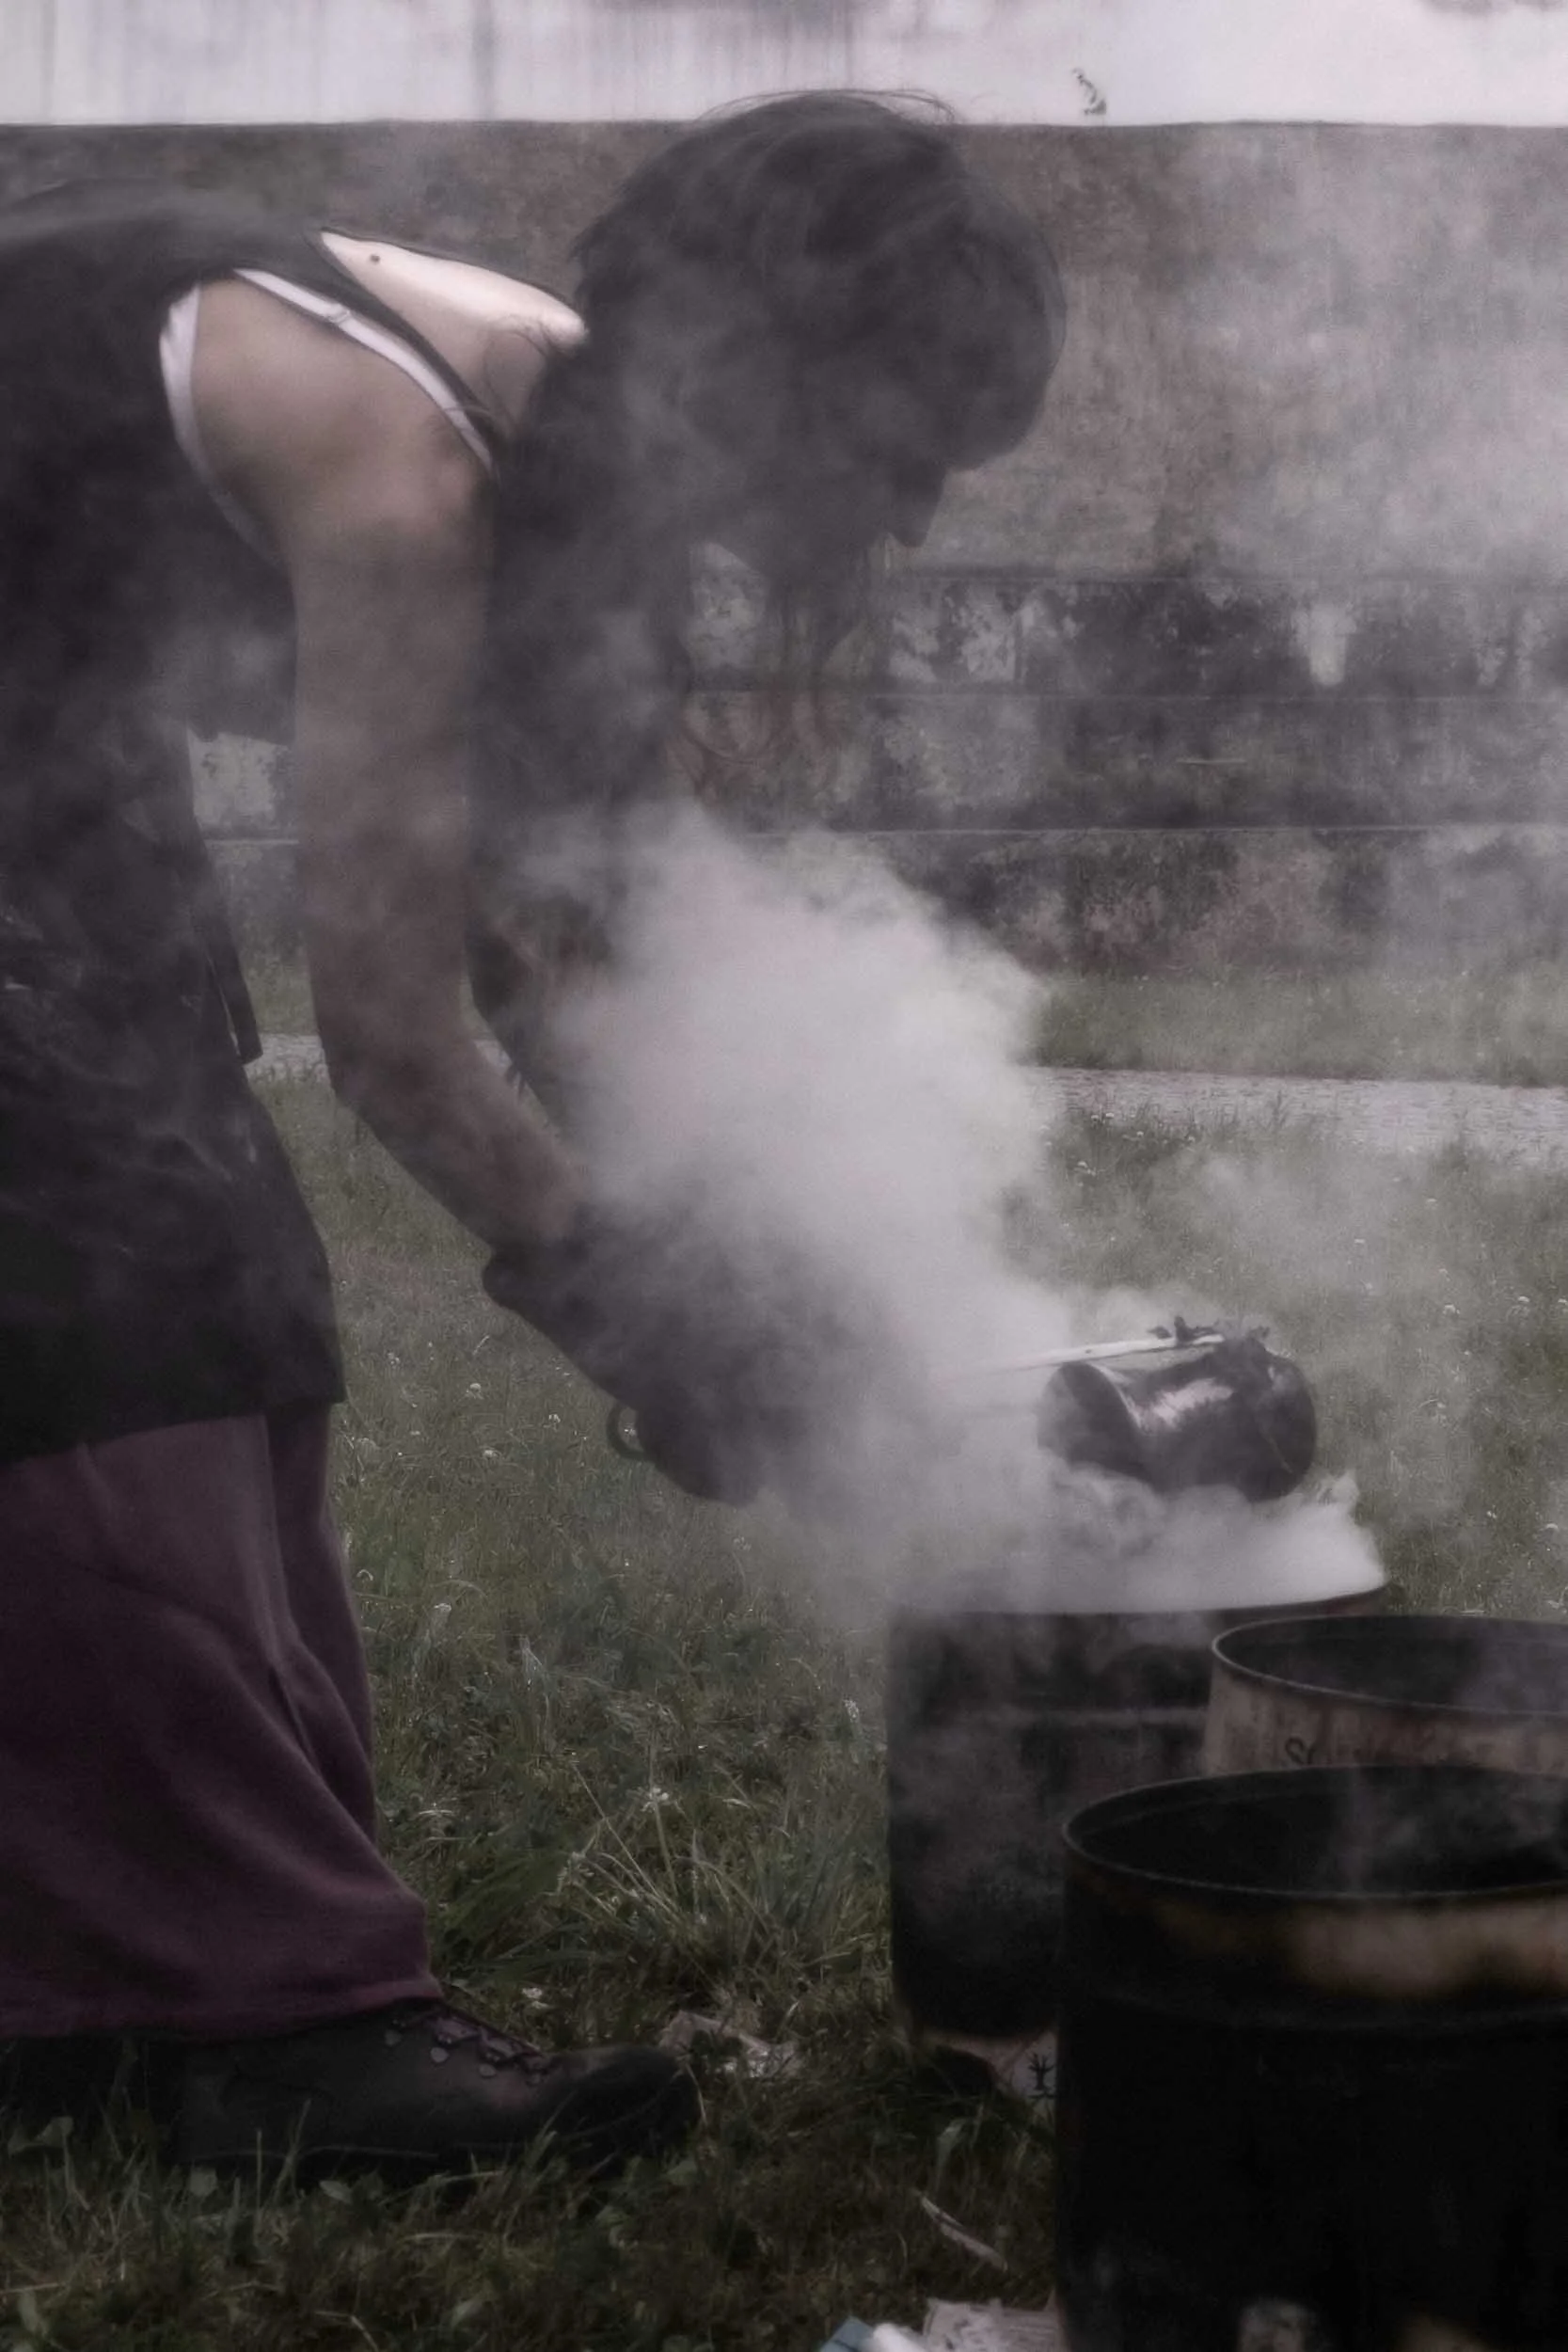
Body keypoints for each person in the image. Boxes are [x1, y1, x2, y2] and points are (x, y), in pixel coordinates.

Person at [0, 95, 1064, 2182]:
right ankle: (223, 2031)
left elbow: (532, 941)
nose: (911, 518)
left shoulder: (540, 419)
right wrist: (646, 1320)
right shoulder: (399, 472)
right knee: (104, 1274)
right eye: (896, 454)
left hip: (49, 711)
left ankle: (201, 1962)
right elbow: (393, 1036)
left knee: (220, 1277)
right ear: (752, 384)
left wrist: (747, 1246)